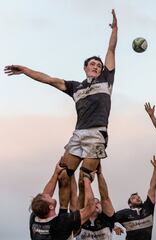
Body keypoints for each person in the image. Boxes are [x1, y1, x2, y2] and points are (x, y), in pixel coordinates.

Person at [4, 9, 118, 211]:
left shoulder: (106, 80)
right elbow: (47, 79)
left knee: (85, 177)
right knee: (64, 174)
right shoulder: (75, 86)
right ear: (85, 68)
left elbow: (111, 51)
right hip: (78, 134)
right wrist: (25, 70)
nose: (96, 66)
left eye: (98, 65)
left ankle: (81, 217)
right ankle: (64, 214)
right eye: (92, 64)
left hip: (97, 133)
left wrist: (115, 30)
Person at [29, 160, 96, 240]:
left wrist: (56, 173)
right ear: (51, 207)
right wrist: (87, 180)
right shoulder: (61, 224)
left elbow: (45, 195)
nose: (48, 195)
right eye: (47, 197)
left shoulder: (36, 218)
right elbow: (91, 208)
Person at [114, 155, 156, 240]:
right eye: (133, 198)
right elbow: (107, 219)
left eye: (138, 197)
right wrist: (114, 227)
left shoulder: (148, 207)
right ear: (130, 204)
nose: (138, 198)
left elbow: (153, 187)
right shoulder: (125, 213)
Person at [76, 163, 119, 240]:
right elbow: (83, 197)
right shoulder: (80, 219)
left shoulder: (107, 219)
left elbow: (105, 198)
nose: (96, 204)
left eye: (98, 203)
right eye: (94, 202)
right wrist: (85, 181)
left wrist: (99, 173)